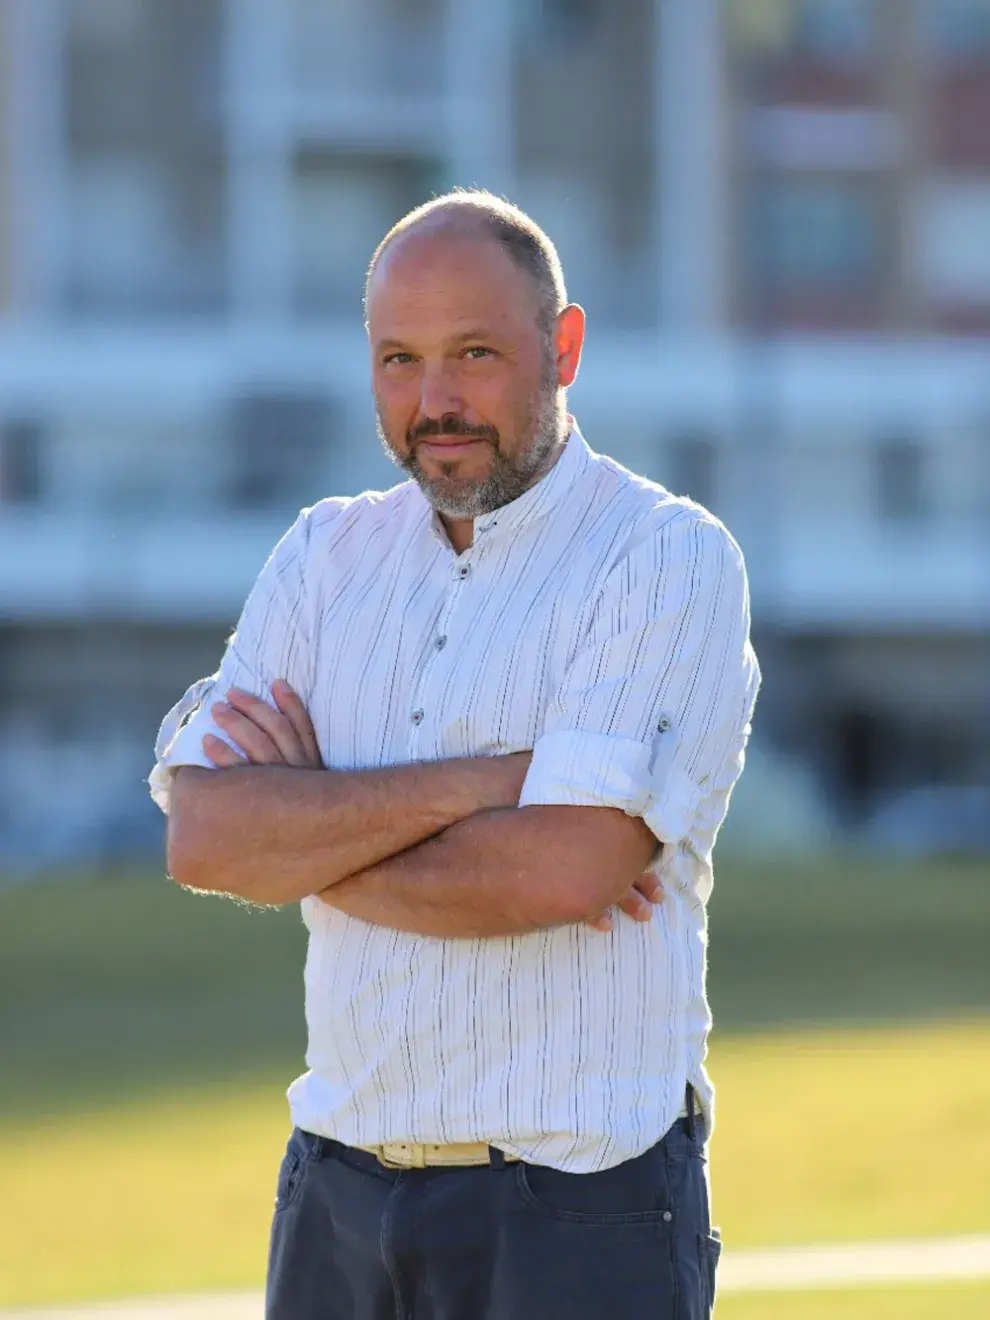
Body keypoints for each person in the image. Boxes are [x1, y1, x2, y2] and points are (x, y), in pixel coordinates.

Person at [149, 190, 760, 1320]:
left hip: (582, 1203)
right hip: (335, 1192)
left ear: (563, 346)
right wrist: (487, 783)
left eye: (474, 353)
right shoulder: (324, 556)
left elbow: (564, 873)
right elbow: (205, 834)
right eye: (398, 360)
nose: (435, 401)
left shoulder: (666, 559)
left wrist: (310, 836)